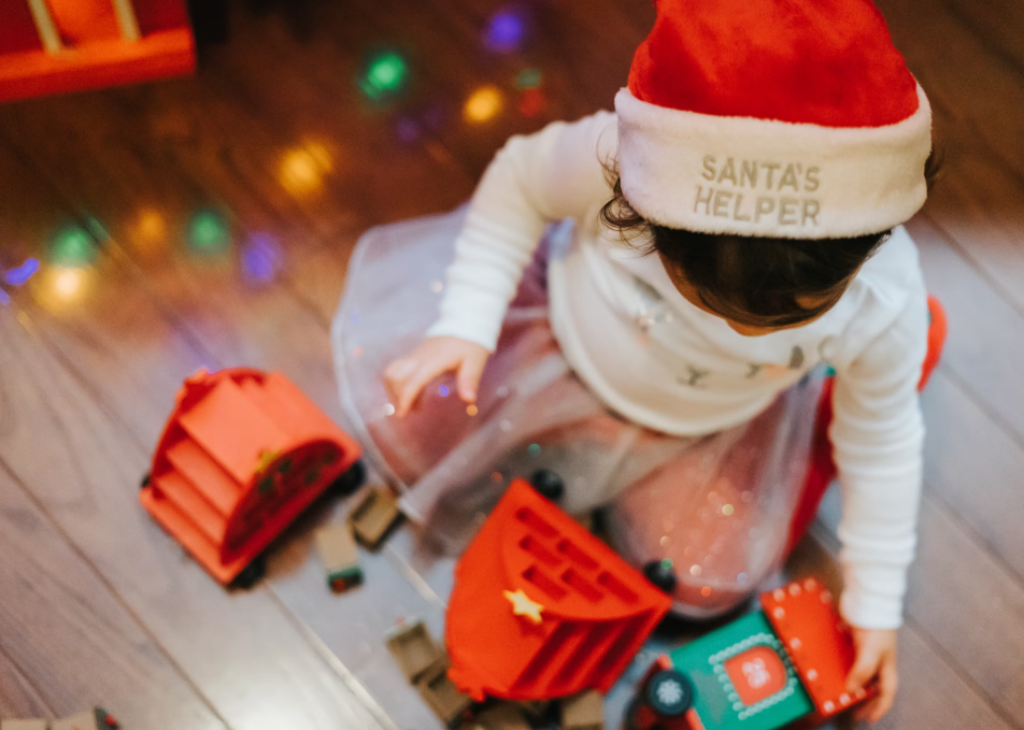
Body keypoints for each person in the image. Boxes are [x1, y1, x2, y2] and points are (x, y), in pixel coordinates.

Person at [332, 0, 941, 722]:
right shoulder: (619, 160)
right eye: (713, 303)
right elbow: (521, 180)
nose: (741, 333)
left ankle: (837, 415)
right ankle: (582, 444)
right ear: (639, 205)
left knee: (707, 583)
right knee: (400, 413)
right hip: (559, 342)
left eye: (783, 318)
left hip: (705, 420)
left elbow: (885, 443)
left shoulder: (886, 296)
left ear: (868, 243)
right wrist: (466, 324)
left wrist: (876, 602)